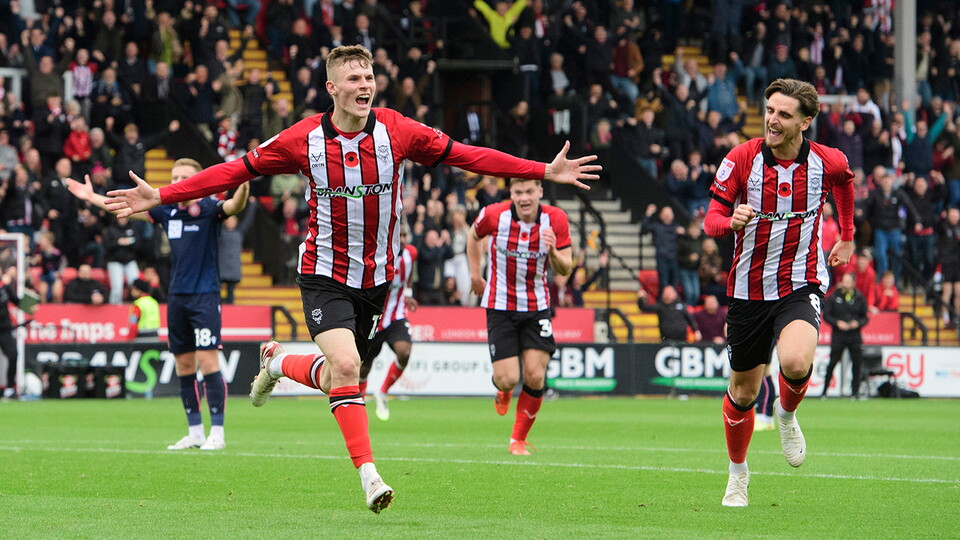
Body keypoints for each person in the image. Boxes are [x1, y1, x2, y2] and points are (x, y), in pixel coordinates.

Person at [103, 45, 598, 513]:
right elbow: (236, 170)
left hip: (376, 280)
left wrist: (540, 169)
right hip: (324, 273)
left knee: (345, 376)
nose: (365, 85)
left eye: (369, 77)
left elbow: (468, 155)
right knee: (345, 367)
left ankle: (277, 361)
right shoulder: (303, 139)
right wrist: (164, 196)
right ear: (332, 88)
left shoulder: (398, 131)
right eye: (354, 79)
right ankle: (370, 477)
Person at [703, 79, 855, 507]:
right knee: (744, 393)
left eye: (784, 114)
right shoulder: (741, 159)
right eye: (770, 110)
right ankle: (738, 474)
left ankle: (786, 415)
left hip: (801, 280)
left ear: (805, 122)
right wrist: (729, 222)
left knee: (794, 359)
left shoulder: (828, 161)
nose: (772, 119)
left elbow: (845, 183)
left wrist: (846, 235)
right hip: (749, 290)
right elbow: (709, 219)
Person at [67, 161, 250, 452]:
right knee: (184, 365)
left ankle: (217, 431)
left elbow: (234, 206)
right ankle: (194, 432)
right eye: (174, 177)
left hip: (205, 296)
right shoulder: (167, 210)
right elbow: (125, 207)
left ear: (199, 180)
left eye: (185, 177)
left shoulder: (209, 208)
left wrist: (243, 184)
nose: (178, 181)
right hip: (176, 297)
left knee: (208, 362)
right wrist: (90, 197)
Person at [467, 177, 573, 456]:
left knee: (535, 376)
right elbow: (473, 235)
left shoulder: (556, 219)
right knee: (507, 379)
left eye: (529, 191)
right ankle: (501, 391)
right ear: (510, 194)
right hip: (499, 305)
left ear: (540, 191)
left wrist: (552, 252)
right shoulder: (493, 215)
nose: (524, 198)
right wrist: (475, 274)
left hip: (536, 306)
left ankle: (517, 440)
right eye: (518, 192)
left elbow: (566, 268)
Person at [358, 228, 418, 421]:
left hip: (396, 317)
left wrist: (407, 294)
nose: (401, 240)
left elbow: (408, 275)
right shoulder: (374, 257)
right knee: (363, 367)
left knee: (405, 351)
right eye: (397, 236)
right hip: (373, 319)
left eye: (404, 236)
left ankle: (383, 391)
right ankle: (359, 402)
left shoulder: (410, 254)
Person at [821, 273, 868, 399]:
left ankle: (855, 392)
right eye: (844, 281)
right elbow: (826, 315)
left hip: (854, 335)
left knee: (856, 364)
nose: (845, 284)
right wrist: (837, 323)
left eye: (848, 281)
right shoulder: (834, 296)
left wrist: (857, 323)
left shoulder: (859, 297)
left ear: (853, 283)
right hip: (838, 335)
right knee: (832, 363)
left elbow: (865, 317)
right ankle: (824, 392)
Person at [0, 266, 39, 398]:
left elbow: (17, 302)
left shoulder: (5, 288)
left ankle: (10, 387)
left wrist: (30, 307)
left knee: (13, 355)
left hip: (4, 329)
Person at [637, 285, 701, 342]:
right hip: (666, 339)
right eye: (665, 293)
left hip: (681, 339)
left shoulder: (681, 306)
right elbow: (644, 308)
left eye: (669, 293)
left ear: (675, 294)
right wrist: (641, 298)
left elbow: (690, 319)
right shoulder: (660, 306)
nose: (667, 295)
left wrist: (696, 331)